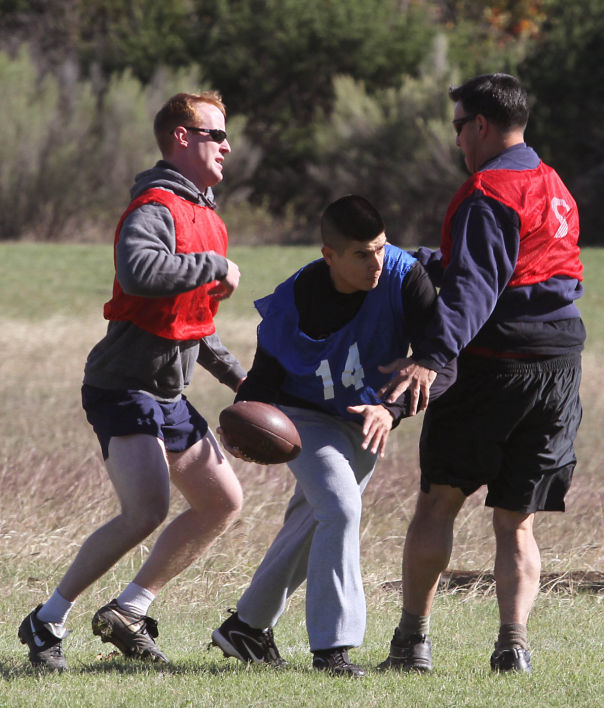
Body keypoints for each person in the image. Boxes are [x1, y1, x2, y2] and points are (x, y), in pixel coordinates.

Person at [18, 91, 245, 671]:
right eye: (216, 134)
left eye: (226, 135)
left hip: (168, 391)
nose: (227, 145)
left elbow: (196, 322)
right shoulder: (155, 206)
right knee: (146, 510)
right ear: (182, 138)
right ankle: (47, 622)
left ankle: (130, 610)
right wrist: (215, 268)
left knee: (222, 501)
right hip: (122, 385)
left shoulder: (209, 217)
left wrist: (243, 383)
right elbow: (139, 271)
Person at [377, 73, 584, 674]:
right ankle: (512, 646)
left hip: (495, 367)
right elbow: (523, 268)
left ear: (482, 126)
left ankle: (412, 642)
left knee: (438, 501)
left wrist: (431, 357)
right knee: (515, 517)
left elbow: (475, 288)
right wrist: (431, 259)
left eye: (459, 127)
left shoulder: (486, 191)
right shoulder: (550, 182)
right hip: (559, 364)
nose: (457, 141)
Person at [209, 195, 456, 676]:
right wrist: (242, 422)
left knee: (317, 519)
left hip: (366, 418)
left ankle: (246, 627)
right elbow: (265, 375)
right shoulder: (298, 297)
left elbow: (441, 363)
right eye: (362, 254)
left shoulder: (406, 278)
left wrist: (392, 409)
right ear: (330, 255)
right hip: (303, 416)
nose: (376, 262)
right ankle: (333, 648)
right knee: (341, 508)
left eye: (381, 248)